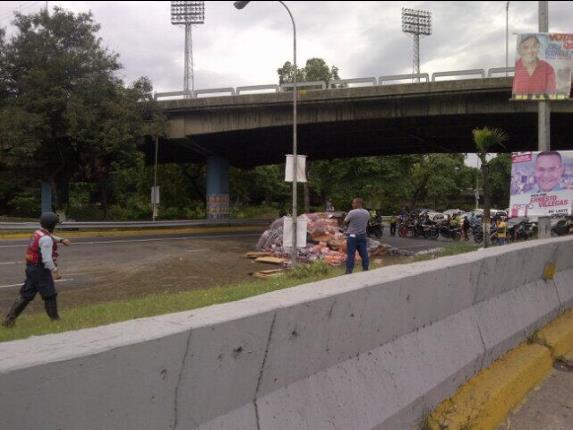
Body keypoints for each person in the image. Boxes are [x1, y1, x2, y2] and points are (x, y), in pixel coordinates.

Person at [2, 212, 71, 328]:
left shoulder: (38, 232)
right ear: (52, 225)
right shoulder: (46, 240)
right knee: (50, 294)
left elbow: (48, 237)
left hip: (31, 268)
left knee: (26, 294)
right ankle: (55, 320)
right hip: (40, 270)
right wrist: (55, 271)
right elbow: (47, 259)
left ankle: (9, 320)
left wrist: (61, 240)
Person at [344, 198, 370, 274]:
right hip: (362, 236)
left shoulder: (352, 212)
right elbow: (366, 221)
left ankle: (349, 270)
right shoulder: (367, 212)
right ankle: (365, 268)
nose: (352, 204)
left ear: (358, 204)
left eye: (353, 203)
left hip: (352, 236)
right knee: (364, 253)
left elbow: (345, 221)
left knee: (351, 254)